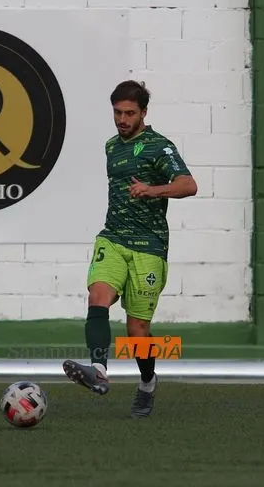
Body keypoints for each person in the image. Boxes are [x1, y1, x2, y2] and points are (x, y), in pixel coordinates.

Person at [62, 80, 197, 418]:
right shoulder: (111, 146)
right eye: (117, 112)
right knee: (98, 296)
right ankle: (99, 370)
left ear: (143, 113)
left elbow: (188, 185)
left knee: (137, 333)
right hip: (114, 238)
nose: (122, 119)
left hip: (149, 247)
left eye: (129, 113)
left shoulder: (159, 146)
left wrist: (153, 190)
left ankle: (148, 383)